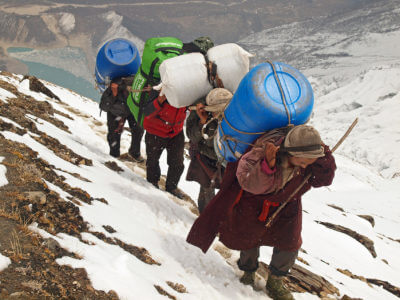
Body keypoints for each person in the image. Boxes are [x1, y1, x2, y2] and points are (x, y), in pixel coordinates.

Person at [186, 125, 336, 300]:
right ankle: (248, 272)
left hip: (288, 204)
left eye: (308, 163)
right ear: (288, 151)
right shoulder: (261, 151)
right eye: (302, 162)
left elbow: (322, 179)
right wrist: (268, 166)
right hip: (254, 203)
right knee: (249, 238)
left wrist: (325, 157)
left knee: (289, 242)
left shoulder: (310, 157)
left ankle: (276, 280)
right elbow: (251, 185)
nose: (305, 166)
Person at [142, 37, 215, 199]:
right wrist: (160, 100)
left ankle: (171, 188)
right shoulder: (161, 83)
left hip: (175, 130)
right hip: (156, 130)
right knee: (153, 161)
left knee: (177, 164)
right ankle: (152, 185)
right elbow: (147, 111)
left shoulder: (189, 86)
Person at [186, 88, 232, 213]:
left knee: (227, 194)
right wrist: (203, 122)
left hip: (225, 160)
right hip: (205, 157)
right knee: (206, 188)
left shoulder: (233, 118)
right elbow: (192, 135)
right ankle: (205, 216)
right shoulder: (199, 113)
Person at [100, 77, 144, 161]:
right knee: (114, 133)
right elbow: (104, 106)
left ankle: (133, 153)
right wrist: (114, 94)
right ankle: (115, 155)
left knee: (138, 129)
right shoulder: (113, 88)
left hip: (130, 110)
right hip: (116, 111)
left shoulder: (134, 87)